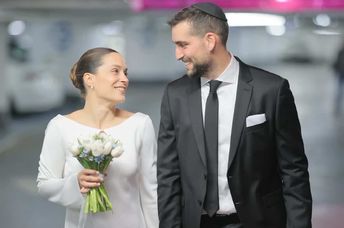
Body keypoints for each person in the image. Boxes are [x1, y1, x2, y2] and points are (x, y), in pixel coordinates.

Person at [157, 2, 312, 228]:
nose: (177, 54)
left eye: (183, 45)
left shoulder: (271, 90)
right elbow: (168, 174)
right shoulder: (175, 94)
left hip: (258, 222)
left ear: (210, 41)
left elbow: (293, 171)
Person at [37, 47, 159, 228]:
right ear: (89, 79)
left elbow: (151, 193)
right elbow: (44, 185)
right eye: (115, 71)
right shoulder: (60, 126)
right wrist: (75, 183)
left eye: (125, 73)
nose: (124, 79)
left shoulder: (140, 125)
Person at [332, 40, 344, 115]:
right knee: (339, 92)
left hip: (341, 73)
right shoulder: (340, 52)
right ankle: (336, 107)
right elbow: (336, 62)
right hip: (341, 74)